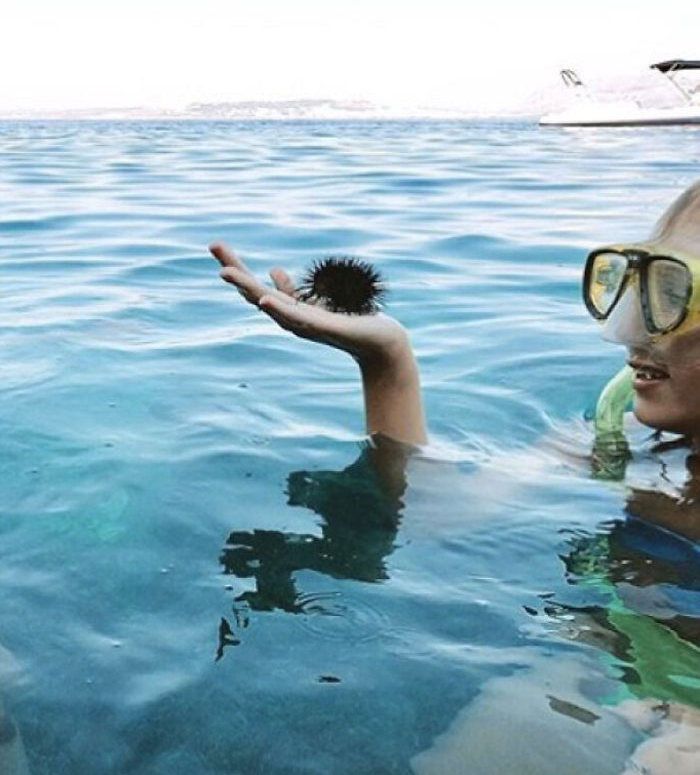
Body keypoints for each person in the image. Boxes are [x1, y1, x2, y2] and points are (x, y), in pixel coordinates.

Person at [210, 179, 700, 775]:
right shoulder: (620, 429)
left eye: (673, 295)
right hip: (613, 648)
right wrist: (386, 360)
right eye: (636, 285)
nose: (634, 330)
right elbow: (440, 516)